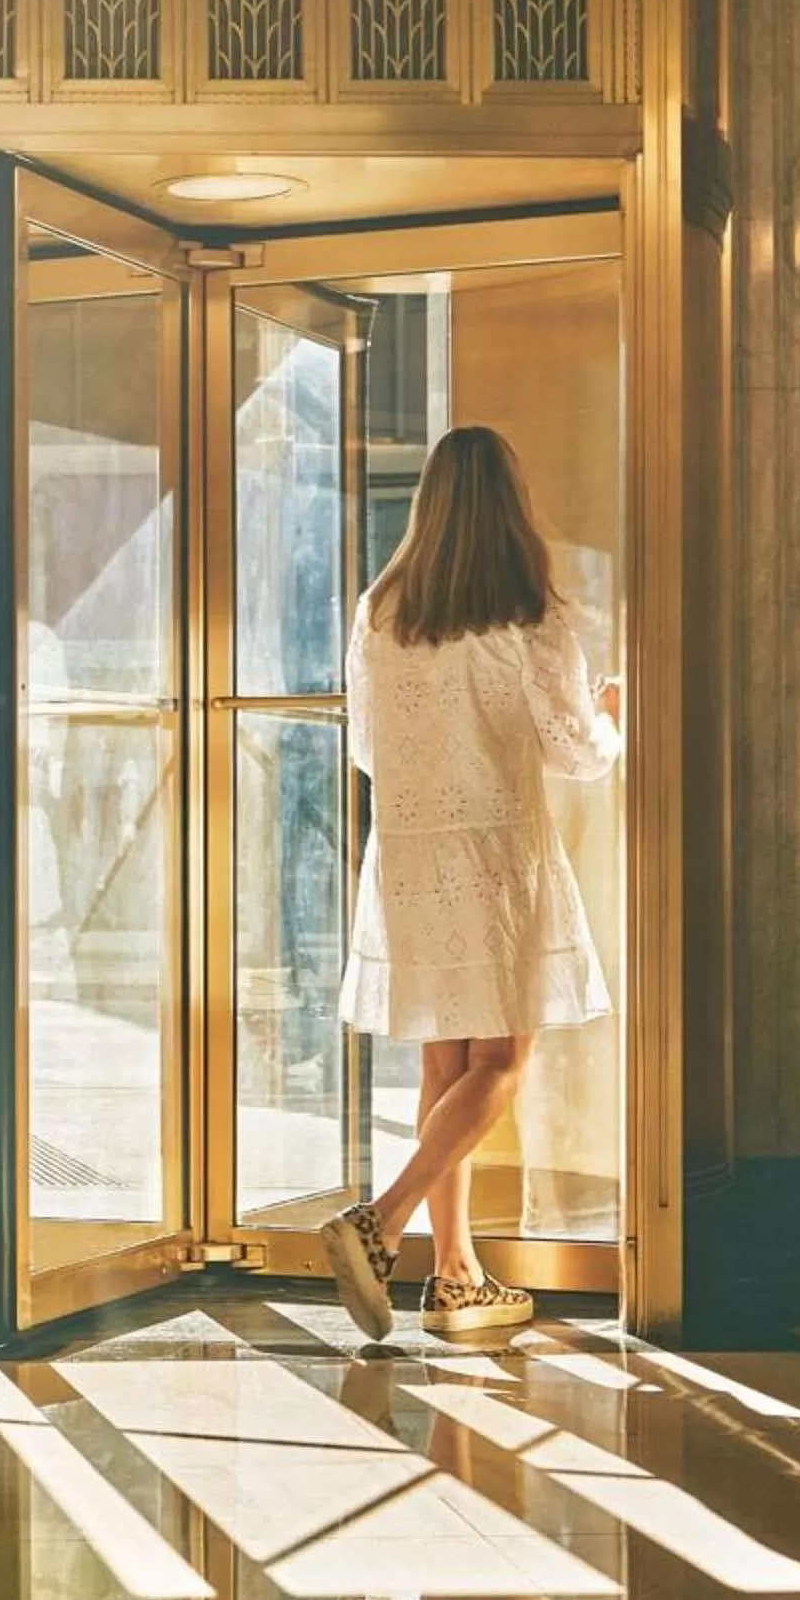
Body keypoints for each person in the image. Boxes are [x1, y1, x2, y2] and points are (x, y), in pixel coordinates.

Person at [321, 426, 621, 1341]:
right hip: (496, 853)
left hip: (409, 852)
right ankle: (382, 1221)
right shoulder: (527, 612)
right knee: (502, 1060)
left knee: (444, 1061)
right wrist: (611, 716)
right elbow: (574, 754)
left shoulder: (383, 608)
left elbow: (368, 746)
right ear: (508, 506)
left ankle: (455, 1278)